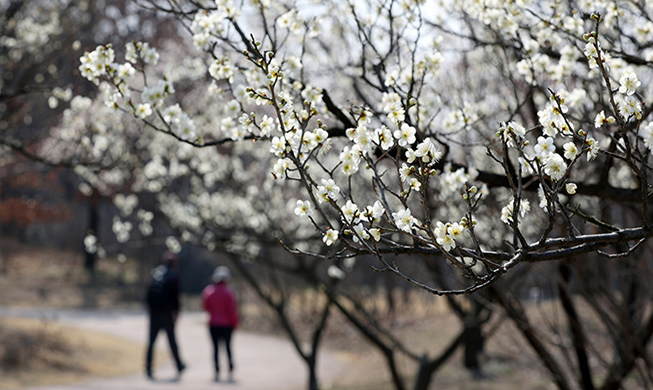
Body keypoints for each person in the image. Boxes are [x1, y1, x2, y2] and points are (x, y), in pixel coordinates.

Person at [145, 251, 186, 379]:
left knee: (151, 342)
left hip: (154, 314)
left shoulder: (156, 274)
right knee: (172, 341)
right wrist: (177, 312)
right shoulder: (173, 276)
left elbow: (147, 295)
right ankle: (179, 365)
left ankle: (148, 368)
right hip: (167, 314)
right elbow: (176, 297)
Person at [202, 266, 239, 382]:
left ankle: (217, 370)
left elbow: (205, 307)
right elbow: (232, 311)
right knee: (228, 347)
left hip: (214, 324)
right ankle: (230, 369)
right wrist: (235, 323)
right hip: (227, 325)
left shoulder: (209, 292)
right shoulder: (229, 293)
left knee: (216, 348)